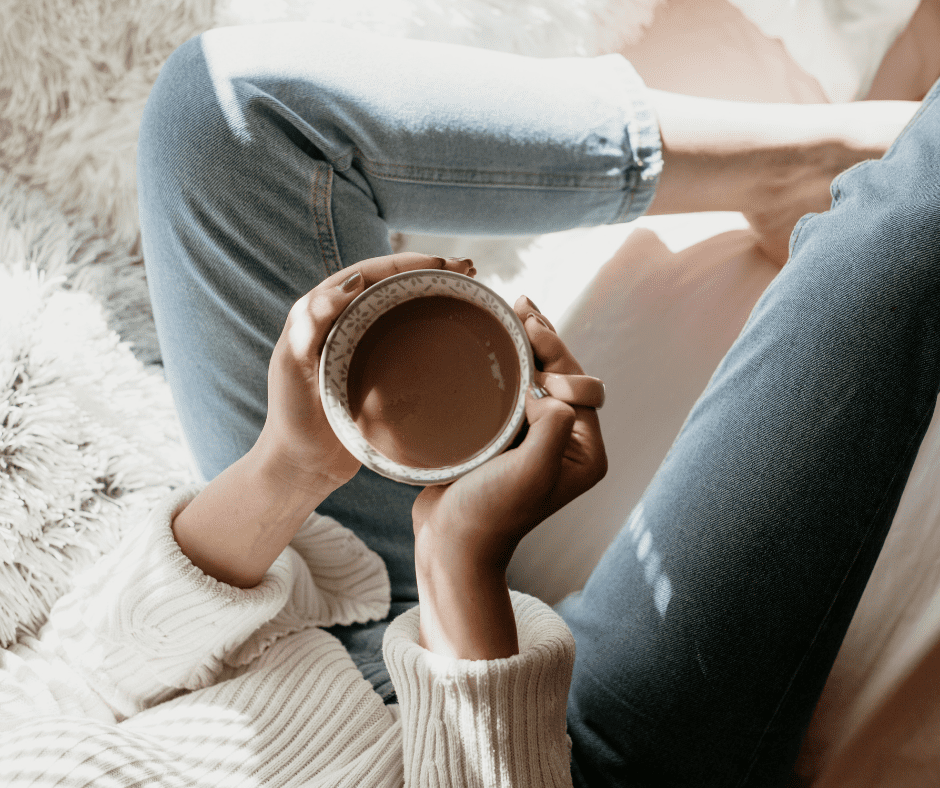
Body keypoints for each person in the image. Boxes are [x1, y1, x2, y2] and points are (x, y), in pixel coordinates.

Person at [1, 21, 938, 788]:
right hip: (572, 759)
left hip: (325, 618)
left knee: (226, 111)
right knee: (910, 219)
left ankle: (789, 163)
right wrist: (464, 564)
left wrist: (288, 469)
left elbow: (80, 677)